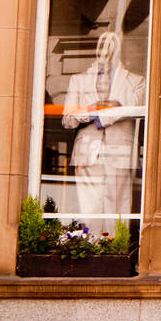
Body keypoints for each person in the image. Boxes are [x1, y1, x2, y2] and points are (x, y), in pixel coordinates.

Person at [62, 31, 146, 219]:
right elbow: (68, 119)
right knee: (88, 207)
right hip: (87, 152)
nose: (106, 50)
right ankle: (91, 244)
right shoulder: (79, 79)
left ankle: (116, 246)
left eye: (112, 44)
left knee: (118, 207)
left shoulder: (137, 81)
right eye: (102, 44)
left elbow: (131, 108)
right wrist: (94, 109)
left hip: (120, 151)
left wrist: (107, 111)